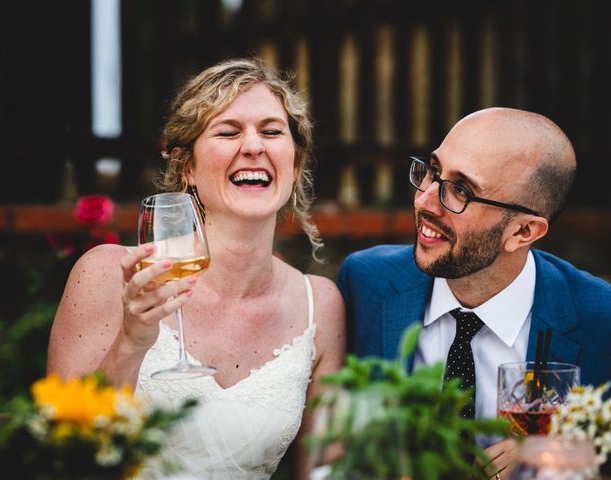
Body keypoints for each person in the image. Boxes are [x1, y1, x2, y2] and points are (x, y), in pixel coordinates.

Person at [47, 58, 346, 479]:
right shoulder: (106, 275)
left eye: (272, 131)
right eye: (228, 131)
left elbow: (323, 471)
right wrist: (131, 342)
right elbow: (65, 461)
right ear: (186, 167)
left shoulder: (321, 305)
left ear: (294, 165)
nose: (254, 146)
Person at [336, 107, 611, 479]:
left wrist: (567, 453)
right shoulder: (365, 282)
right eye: (433, 173)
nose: (425, 201)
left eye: (461, 191)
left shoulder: (599, 319)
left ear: (523, 232)